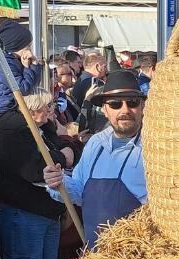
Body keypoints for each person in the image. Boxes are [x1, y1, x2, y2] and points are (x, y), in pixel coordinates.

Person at [0, 87, 73, 259]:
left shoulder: (43, 130)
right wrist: (64, 155)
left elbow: (69, 149)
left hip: (47, 212)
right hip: (24, 213)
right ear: (32, 109)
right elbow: (37, 168)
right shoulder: (13, 134)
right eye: (47, 107)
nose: (52, 112)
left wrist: (65, 152)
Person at [42, 70, 146, 249]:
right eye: (115, 104)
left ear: (143, 106)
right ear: (105, 110)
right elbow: (79, 192)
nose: (125, 110)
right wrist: (59, 181)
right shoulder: (95, 143)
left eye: (132, 102)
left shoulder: (155, 147)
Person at [0, 20, 43, 116]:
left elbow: (34, 84)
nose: (29, 49)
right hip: (2, 111)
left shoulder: (14, 60)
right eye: (27, 46)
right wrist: (27, 68)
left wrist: (35, 64)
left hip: (13, 108)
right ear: (16, 45)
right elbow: (23, 89)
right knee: (31, 126)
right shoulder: (5, 64)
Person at [72, 52, 108, 133]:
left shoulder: (82, 80)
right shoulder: (93, 84)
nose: (106, 70)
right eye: (105, 67)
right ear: (97, 66)